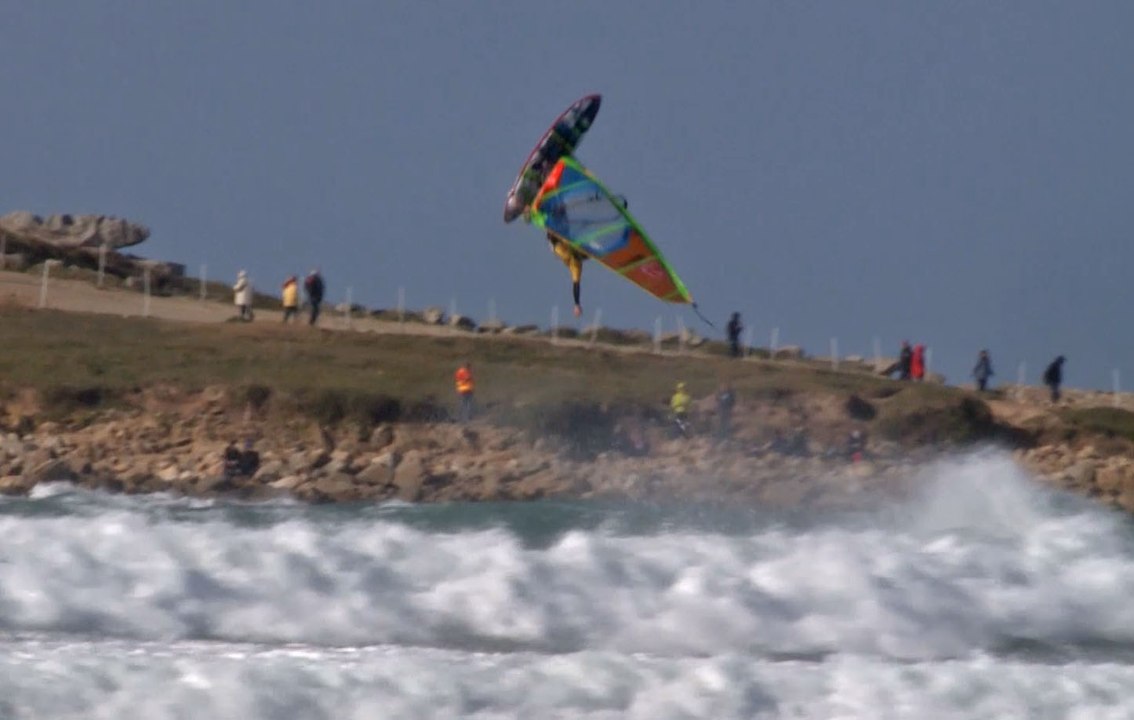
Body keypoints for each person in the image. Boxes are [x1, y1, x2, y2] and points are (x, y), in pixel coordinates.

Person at [547, 234, 586, 317]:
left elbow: (576, 285)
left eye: (580, 256)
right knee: (568, 252)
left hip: (560, 246)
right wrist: (577, 304)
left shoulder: (576, 267)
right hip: (567, 245)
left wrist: (576, 304)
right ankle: (553, 236)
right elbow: (577, 285)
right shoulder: (577, 264)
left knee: (566, 254)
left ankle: (551, 237)